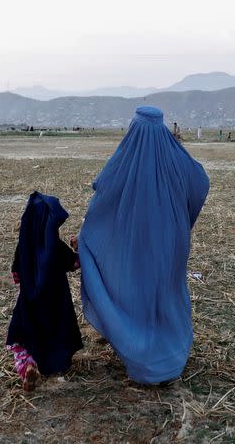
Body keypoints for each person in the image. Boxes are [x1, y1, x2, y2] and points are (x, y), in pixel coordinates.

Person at [78, 106, 209, 384]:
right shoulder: (177, 157)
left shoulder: (127, 156)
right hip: (171, 242)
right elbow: (200, 183)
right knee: (166, 292)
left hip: (134, 243)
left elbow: (103, 188)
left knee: (137, 288)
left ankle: (141, 353)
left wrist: (94, 233)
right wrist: (183, 220)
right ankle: (169, 356)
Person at [5, 192, 83, 391]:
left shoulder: (23, 246)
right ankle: (58, 365)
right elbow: (75, 263)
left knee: (23, 336)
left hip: (30, 301)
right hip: (57, 301)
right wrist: (79, 249)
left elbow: (16, 274)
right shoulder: (55, 247)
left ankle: (28, 366)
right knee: (58, 332)